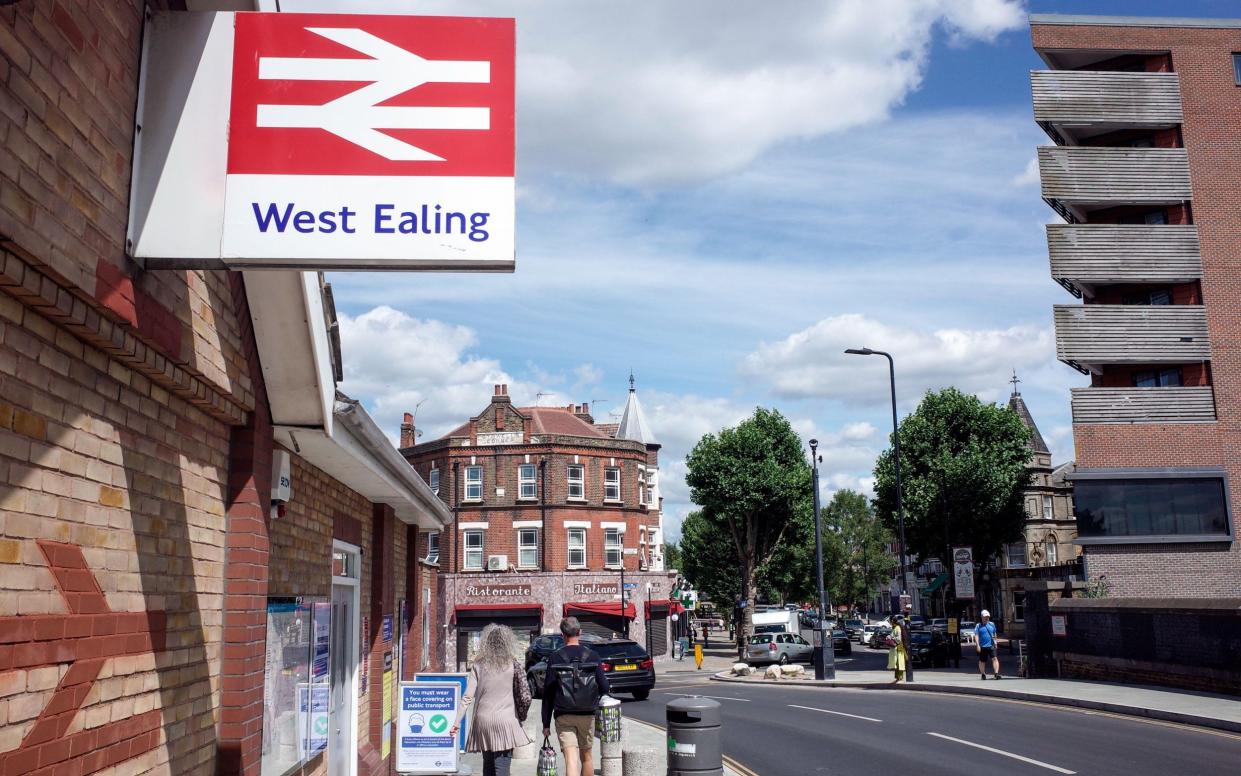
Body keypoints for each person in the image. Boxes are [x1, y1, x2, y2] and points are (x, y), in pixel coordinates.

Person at [451, 624, 532, 776]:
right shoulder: (512, 663)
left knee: (488, 765)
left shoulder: (478, 665)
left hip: (483, 722)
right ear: (507, 642)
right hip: (506, 721)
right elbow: (525, 693)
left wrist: (456, 722)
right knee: (501, 767)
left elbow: (467, 697)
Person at [541, 617, 609, 776]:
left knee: (570, 759)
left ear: (562, 635)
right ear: (580, 633)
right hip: (587, 713)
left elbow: (548, 693)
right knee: (586, 757)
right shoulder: (592, 656)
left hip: (563, 714)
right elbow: (604, 686)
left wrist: (546, 723)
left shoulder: (555, 657)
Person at [975, 609, 1001, 680]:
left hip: (991, 645)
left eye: (988, 616)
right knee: (982, 661)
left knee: (995, 658)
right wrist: (977, 645)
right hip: (982, 646)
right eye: (985, 616)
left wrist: (996, 642)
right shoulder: (978, 625)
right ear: (981, 617)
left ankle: (996, 674)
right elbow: (976, 635)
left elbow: (994, 633)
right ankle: (983, 674)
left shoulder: (992, 624)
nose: (987, 618)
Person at [887, 614, 907, 682]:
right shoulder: (894, 627)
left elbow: (898, 639)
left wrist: (891, 638)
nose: (889, 622)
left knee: (899, 663)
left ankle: (900, 677)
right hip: (896, 648)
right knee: (896, 663)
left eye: (890, 621)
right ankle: (898, 677)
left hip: (898, 648)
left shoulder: (897, 628)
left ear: (892, 621)